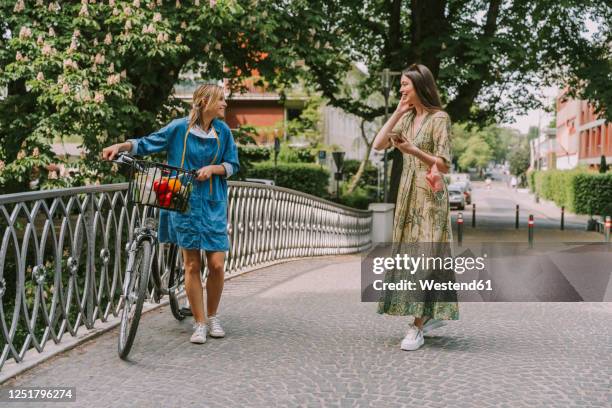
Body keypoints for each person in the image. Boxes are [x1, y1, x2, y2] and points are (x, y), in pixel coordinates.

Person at [102, 84, 239, 344]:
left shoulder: (223, 132)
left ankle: (213, 316)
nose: (224, 104)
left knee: (217, 264)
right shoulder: (179, 128)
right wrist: (120, 146)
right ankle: (199, 323)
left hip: (213, 202)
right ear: (204, 102)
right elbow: (147, 143)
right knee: (192, 264)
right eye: (220, 100)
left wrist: (214, 169)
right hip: (182, 200)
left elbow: (233, 165)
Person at [372, 63, 459, 351]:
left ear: (420, 86)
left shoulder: (439, 119)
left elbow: (444, 164)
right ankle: (426, 313)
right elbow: (378, 144)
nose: (401, 89)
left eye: (405, 85)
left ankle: (417, 326)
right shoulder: (407, 119)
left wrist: (413, 151)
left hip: (430, 195)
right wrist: (397, 111)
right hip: (407, 193)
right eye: (400, 85)